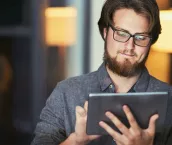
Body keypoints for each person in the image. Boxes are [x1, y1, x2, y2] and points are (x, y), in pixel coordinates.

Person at [31, 0, 172, 144]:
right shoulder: (66, 93)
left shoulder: (170, 99)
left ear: (151, 41)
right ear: (105, 32)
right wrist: (75, 141)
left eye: (141, 37)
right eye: (121, 33)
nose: (129, 46)